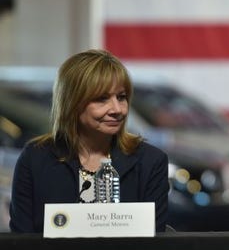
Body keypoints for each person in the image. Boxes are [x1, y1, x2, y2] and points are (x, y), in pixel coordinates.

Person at [9, 49, 170, 232]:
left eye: (121, 97)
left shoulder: (151, 161)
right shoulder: (35, 158)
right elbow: (21, 243)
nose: (117, 109)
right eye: (102, 99)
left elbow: (154, 248)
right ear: (72, 103)